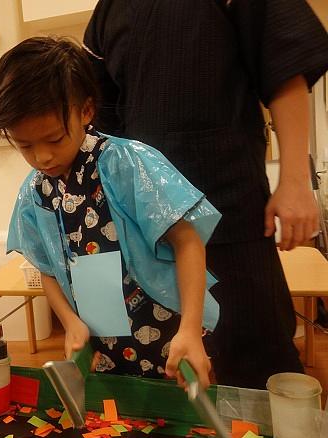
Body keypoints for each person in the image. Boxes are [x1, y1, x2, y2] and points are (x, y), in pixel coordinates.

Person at [83, 0, 328, 388]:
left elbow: (284, 64)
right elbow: (102, 120)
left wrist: (296, 179)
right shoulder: (109, 10)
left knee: (255, 368)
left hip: (231, 212)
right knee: (163, 375)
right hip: (148, 233)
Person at [0, 36, 222, 389]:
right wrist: (69, 321)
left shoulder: (126, 163)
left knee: (181, 424)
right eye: (25, 146)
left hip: (169, 332)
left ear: (85, 110)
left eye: (53, 139)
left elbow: (187, 241)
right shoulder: (34, 192)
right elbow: (46, 270)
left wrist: (190, 327)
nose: (42, 158)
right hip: (102, 345)